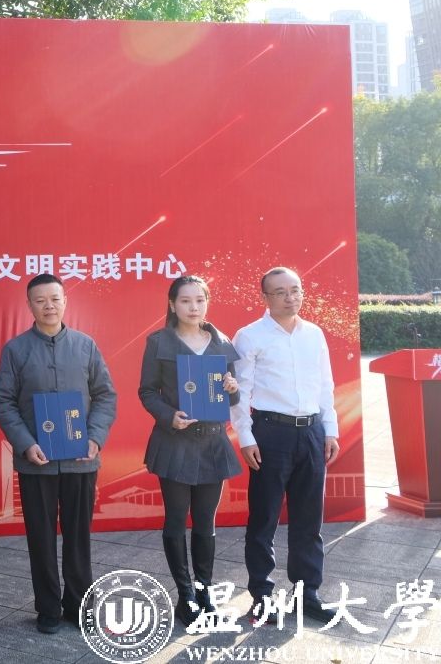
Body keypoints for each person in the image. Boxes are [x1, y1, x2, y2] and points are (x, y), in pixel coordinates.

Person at [0, 273, 117, 635]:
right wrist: (25, 443)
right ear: (29, 305)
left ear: (65, 301)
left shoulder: (85, 346)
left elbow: (106, 395)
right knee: (41, 537)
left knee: (79, 537)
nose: (49, 306)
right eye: (40, 300)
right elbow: (3, 401)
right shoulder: (16, 350)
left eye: (55, 299)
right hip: (37, 462)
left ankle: (79, 604)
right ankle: (47, 607)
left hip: (81, 461)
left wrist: (95, 438)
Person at [231, 267, 339, 624]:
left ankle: (307, 593)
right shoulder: (249, 336)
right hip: (270, 433)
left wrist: (330, 429)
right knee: (264, 518)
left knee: (309, 519)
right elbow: (240, 392)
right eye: (280, 292)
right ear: (265, 297)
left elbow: (325, 385)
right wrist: (246, 437)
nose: (290, 297)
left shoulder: (314, 334)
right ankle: (261, 596)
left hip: (311, 432)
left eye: (295, 289)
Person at [138, 275, 242, 625]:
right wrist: (169, 416)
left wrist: (232, 388)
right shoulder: (159, 342)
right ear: (172, 304)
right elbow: (147, 391)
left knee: (205, 523)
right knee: (176, 519)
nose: (193, 307)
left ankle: (204, 593)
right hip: (175, 443)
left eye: (200, 300)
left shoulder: (222, 342)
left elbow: (232, 398)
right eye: (185, 301)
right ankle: (185, 597)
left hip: (212, 442)